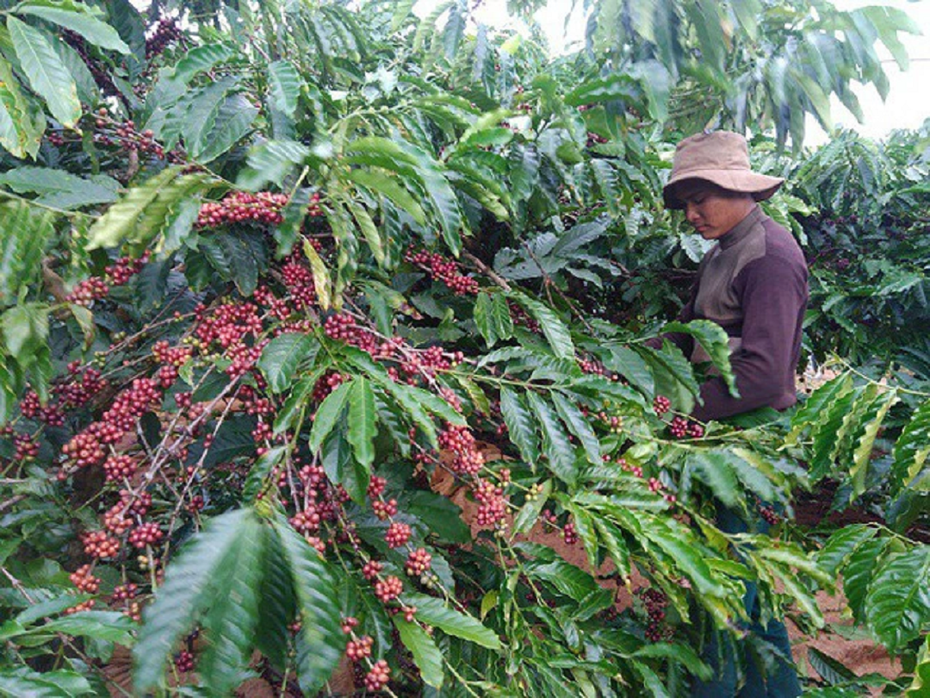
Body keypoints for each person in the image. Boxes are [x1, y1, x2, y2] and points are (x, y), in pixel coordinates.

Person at [659, 130, 808, 697]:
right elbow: (687, 332)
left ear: (739, 189)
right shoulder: (726, 249)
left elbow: (766, 376)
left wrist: (678, 409)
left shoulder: (769, 257)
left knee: (724, 593)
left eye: (702, 198)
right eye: (685, 203)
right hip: (721, 433)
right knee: (753, 590)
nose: (692, 214)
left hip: (751, 440)